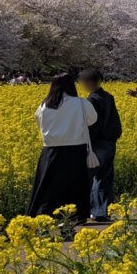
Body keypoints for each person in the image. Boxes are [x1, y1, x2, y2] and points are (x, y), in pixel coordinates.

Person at [28, 73, 97, 221]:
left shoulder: (44, 105)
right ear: (71, 86)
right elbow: (92, 120)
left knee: (48, 187)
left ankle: (44, 218)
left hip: (50, 151)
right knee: (75, 186)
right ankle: (74, 218)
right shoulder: (80, 103)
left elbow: (39, 123)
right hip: (75, 150)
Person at [78, 69, 122, 221]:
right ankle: (103, 211)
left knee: (90, 178)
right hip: (110, 142)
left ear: (90, 82)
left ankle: (91, 212)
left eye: (83, 81)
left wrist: (86, 144)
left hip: (97, 144)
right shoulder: (108, 96)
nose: (82, 85)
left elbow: (93, 125)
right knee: (105, 178)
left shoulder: (92, 100)